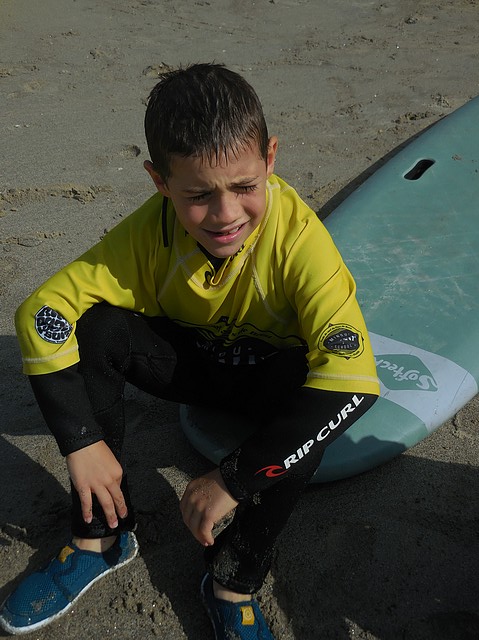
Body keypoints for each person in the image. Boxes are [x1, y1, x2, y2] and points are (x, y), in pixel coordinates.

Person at [0, 63, 379, 639]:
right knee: (98, 328)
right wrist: (82, 441)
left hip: (270, 381)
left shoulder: (301, 243)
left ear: (270, 158)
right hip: (191, 367)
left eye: (245, 187)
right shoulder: (147, 234)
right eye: (198, 195)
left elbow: (354, 384)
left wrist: (233, 480)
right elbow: (41, 313)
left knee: (310, 400)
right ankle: (100, 538)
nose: (226, 216)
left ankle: (234, 580)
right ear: (159, 180)